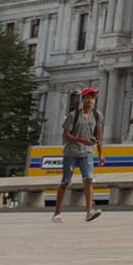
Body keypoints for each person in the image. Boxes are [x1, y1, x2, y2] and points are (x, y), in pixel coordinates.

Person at [54, 87, 104, 223]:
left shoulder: (97, 115)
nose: (90, 101)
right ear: (83, 99)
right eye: (87, 97)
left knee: (88, 179)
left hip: (86, 153)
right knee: (65, 182)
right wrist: (81, 140)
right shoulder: (73, 115)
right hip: (71, 152)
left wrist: (100, 154)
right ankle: (57, 213)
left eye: (92, 98)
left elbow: (99, 135)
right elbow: (66, 135)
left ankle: (89, 211)